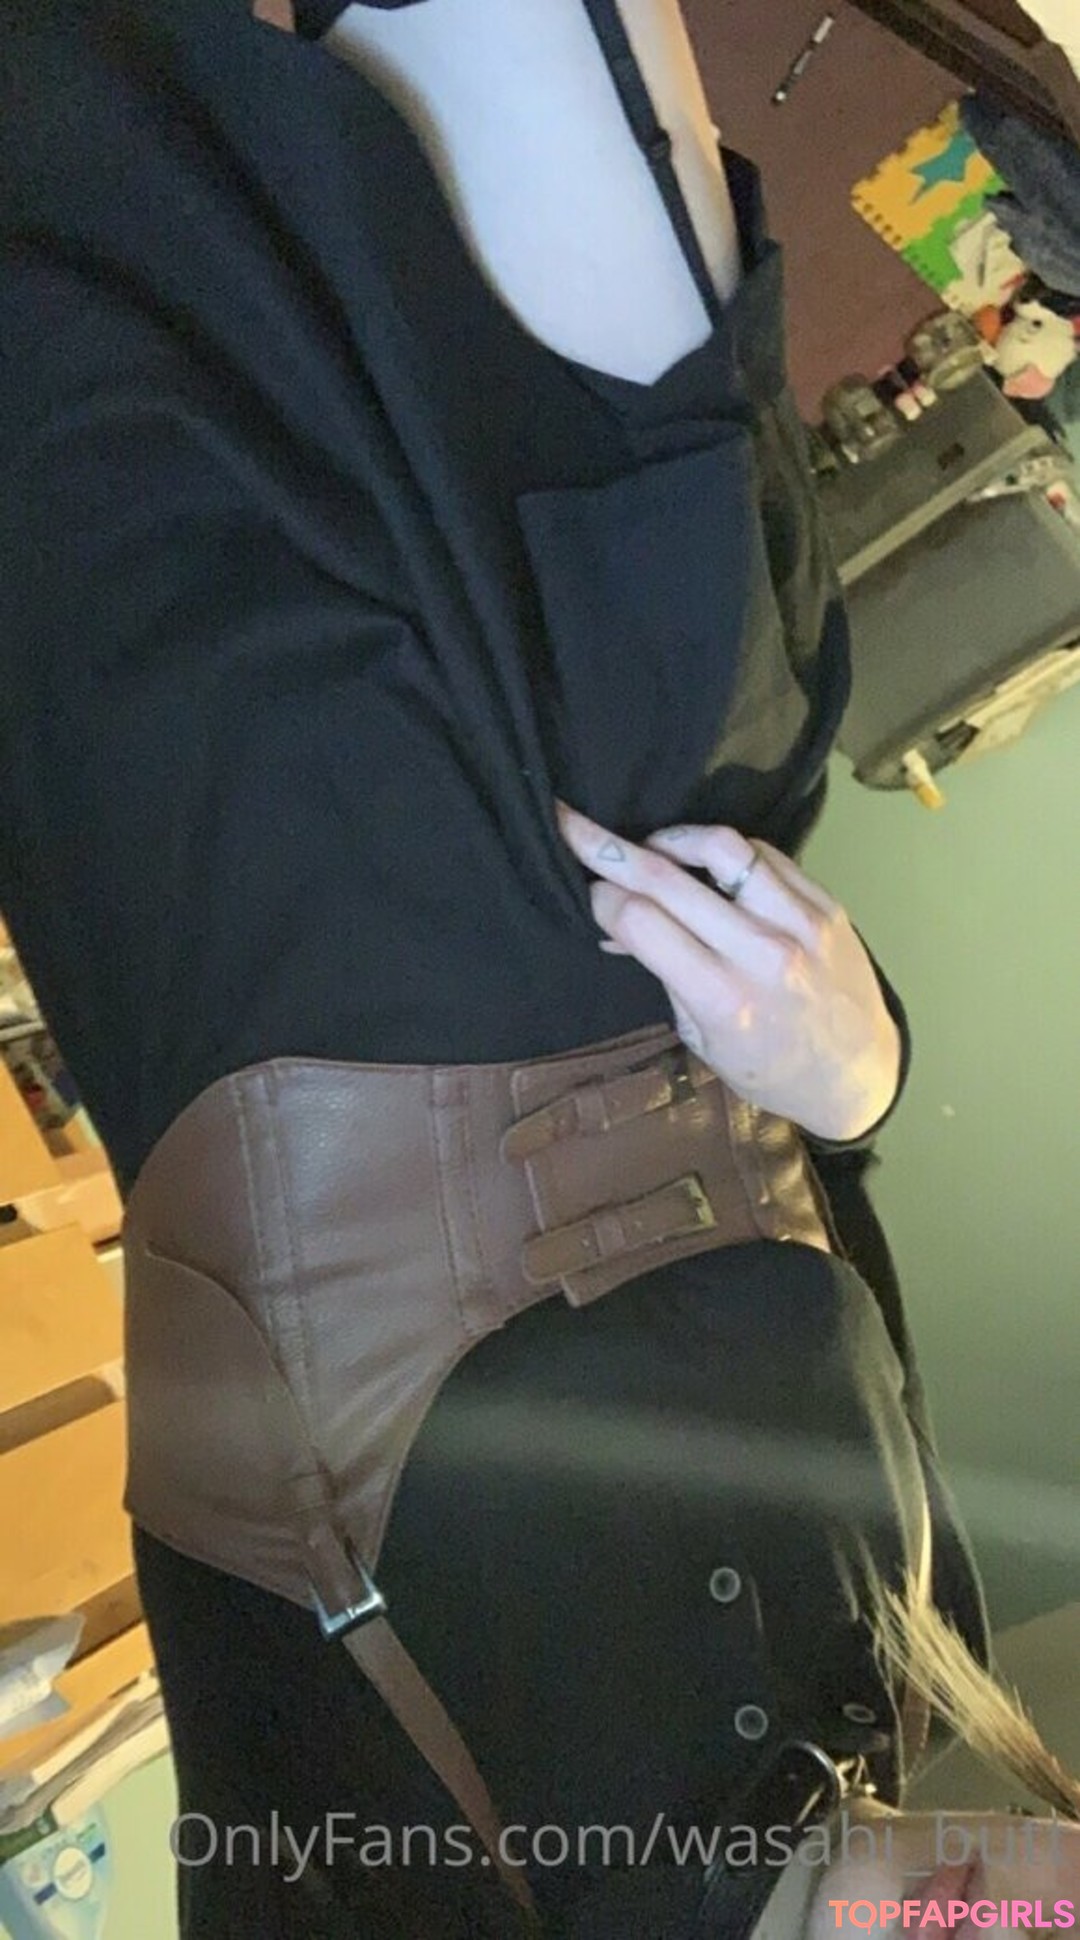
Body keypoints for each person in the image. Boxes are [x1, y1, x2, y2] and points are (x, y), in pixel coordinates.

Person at [1, 1, 1076, 1934]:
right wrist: (863, 1077)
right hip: (658, 772)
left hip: (298, 877)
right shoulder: (917, 1699)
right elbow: (825, 1200)